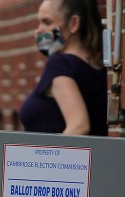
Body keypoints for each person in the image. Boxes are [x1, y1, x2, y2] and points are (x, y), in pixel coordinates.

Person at [19, 0, 107, 136]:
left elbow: (79, 126)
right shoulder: (99, 66)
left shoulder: (59, 64)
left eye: (47, 22)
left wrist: (51, 156)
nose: (39, 30)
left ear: (73, 23)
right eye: (39, 22)